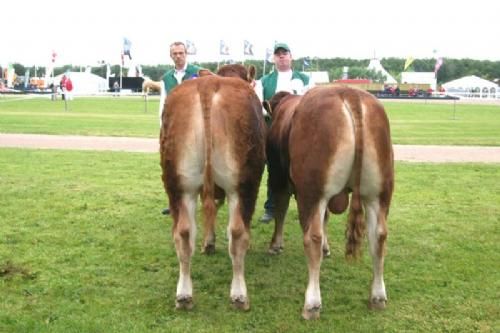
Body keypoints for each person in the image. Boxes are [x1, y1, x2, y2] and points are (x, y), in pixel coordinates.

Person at [142, 41, 202, 216]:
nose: (178, 56)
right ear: (171, 56)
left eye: (181, 53)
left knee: (197, 166)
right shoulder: (167, 78)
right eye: (175, 53)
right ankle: (175, 202)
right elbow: (164, 104)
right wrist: (163, 128)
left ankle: (199, 199)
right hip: (175, 130)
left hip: (195, 128)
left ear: (186, 54)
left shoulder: (197, 73)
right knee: (174, 167)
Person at [255, 42, 312, 223]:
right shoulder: (263, 81)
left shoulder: (305, 79)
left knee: (303, 168)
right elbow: (259, 106)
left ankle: (305, 203)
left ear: (290, 56)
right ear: (274, 58)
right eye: (278, 54)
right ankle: (271, 207)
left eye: (284, 53)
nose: (281, 56)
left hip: (300, 132)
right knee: (274, 170)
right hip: (273, 132)